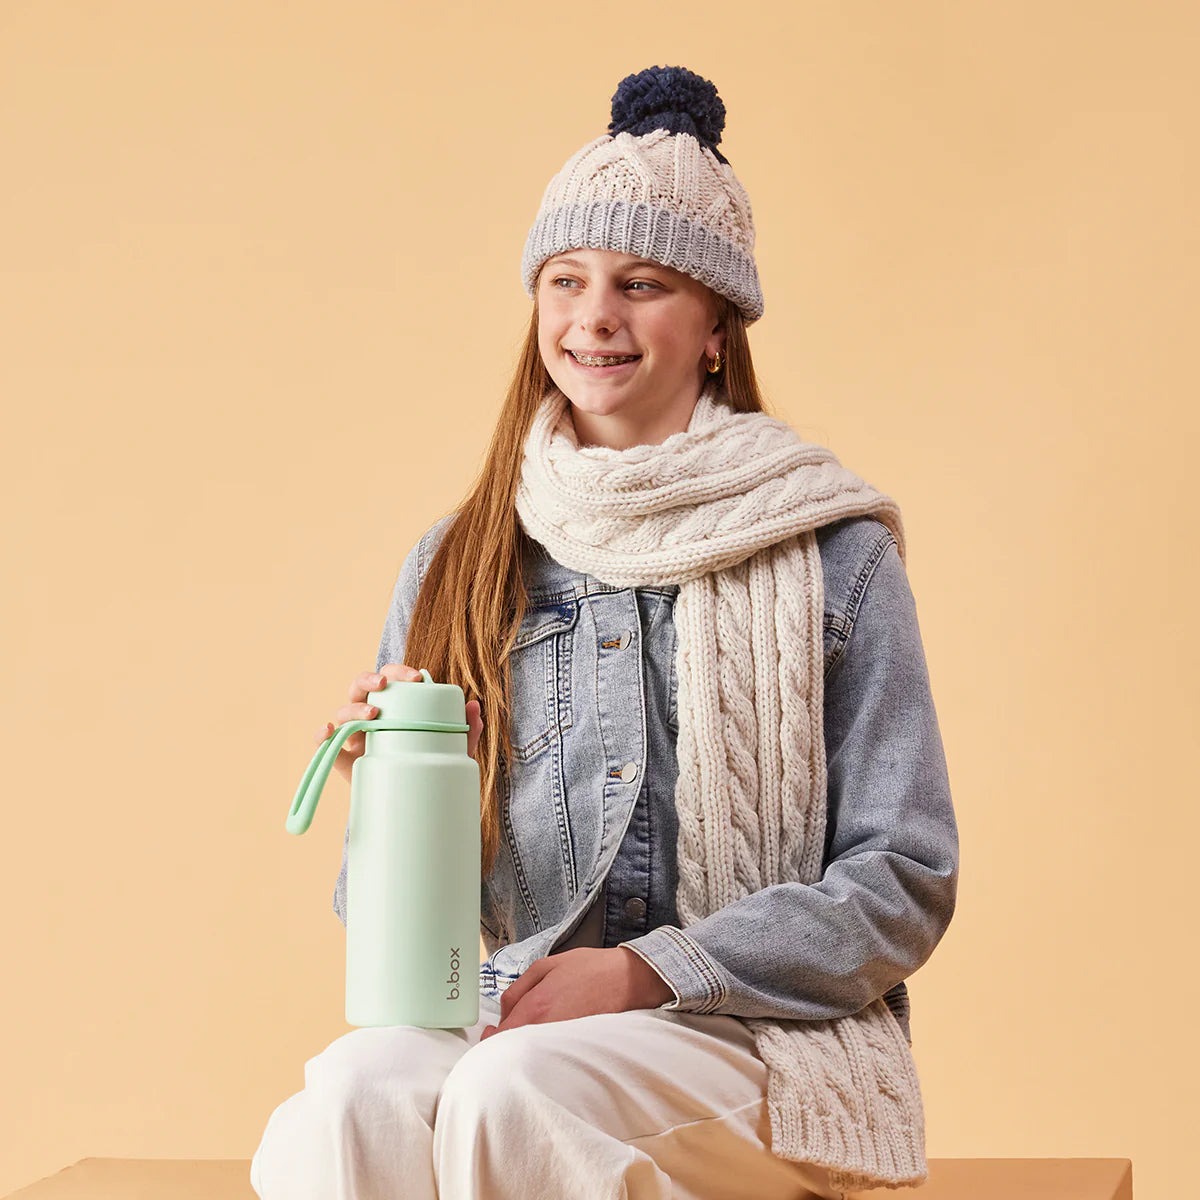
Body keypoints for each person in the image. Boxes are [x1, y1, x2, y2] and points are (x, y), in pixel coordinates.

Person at [251, 64, 959, 1200]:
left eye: (642, 284)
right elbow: (412, 949)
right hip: (513, 1008)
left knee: (512, 1092)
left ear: (716, 326)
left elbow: (902, 880)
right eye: (566, 280)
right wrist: (395, 793)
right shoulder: (462, 559)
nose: (594, 317)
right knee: (349, 1097)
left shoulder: (835, 553)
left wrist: (644, 971)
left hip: (755, 1037)